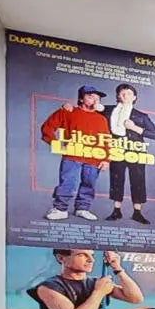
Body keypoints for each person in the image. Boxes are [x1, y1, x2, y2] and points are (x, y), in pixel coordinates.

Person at [41, 86, 113, 221]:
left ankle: (82, 208)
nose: (95, 100)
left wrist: (106, 159)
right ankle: (60, 209)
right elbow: (47, 127)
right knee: (67, 182)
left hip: (94, 157)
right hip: (72, 155)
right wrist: (57, 144)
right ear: (81, 99)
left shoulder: (101, 119)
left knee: (89, 183)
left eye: (97, 98)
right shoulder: (68, 111)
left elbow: (106, 140)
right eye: (90, 96)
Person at [102, 83, 155, 224]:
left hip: (136, 151)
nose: (125, 96)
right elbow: (90, 108)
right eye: (122, 93)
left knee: (138, 180)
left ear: (134, 97)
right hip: (116, 149)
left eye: (128, 93)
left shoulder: (141, 116)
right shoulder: (108, 110)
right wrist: (67, 108)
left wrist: (135, 128)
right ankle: (116, 211)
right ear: (117, 96)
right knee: (116, 179)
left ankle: (137, 213)